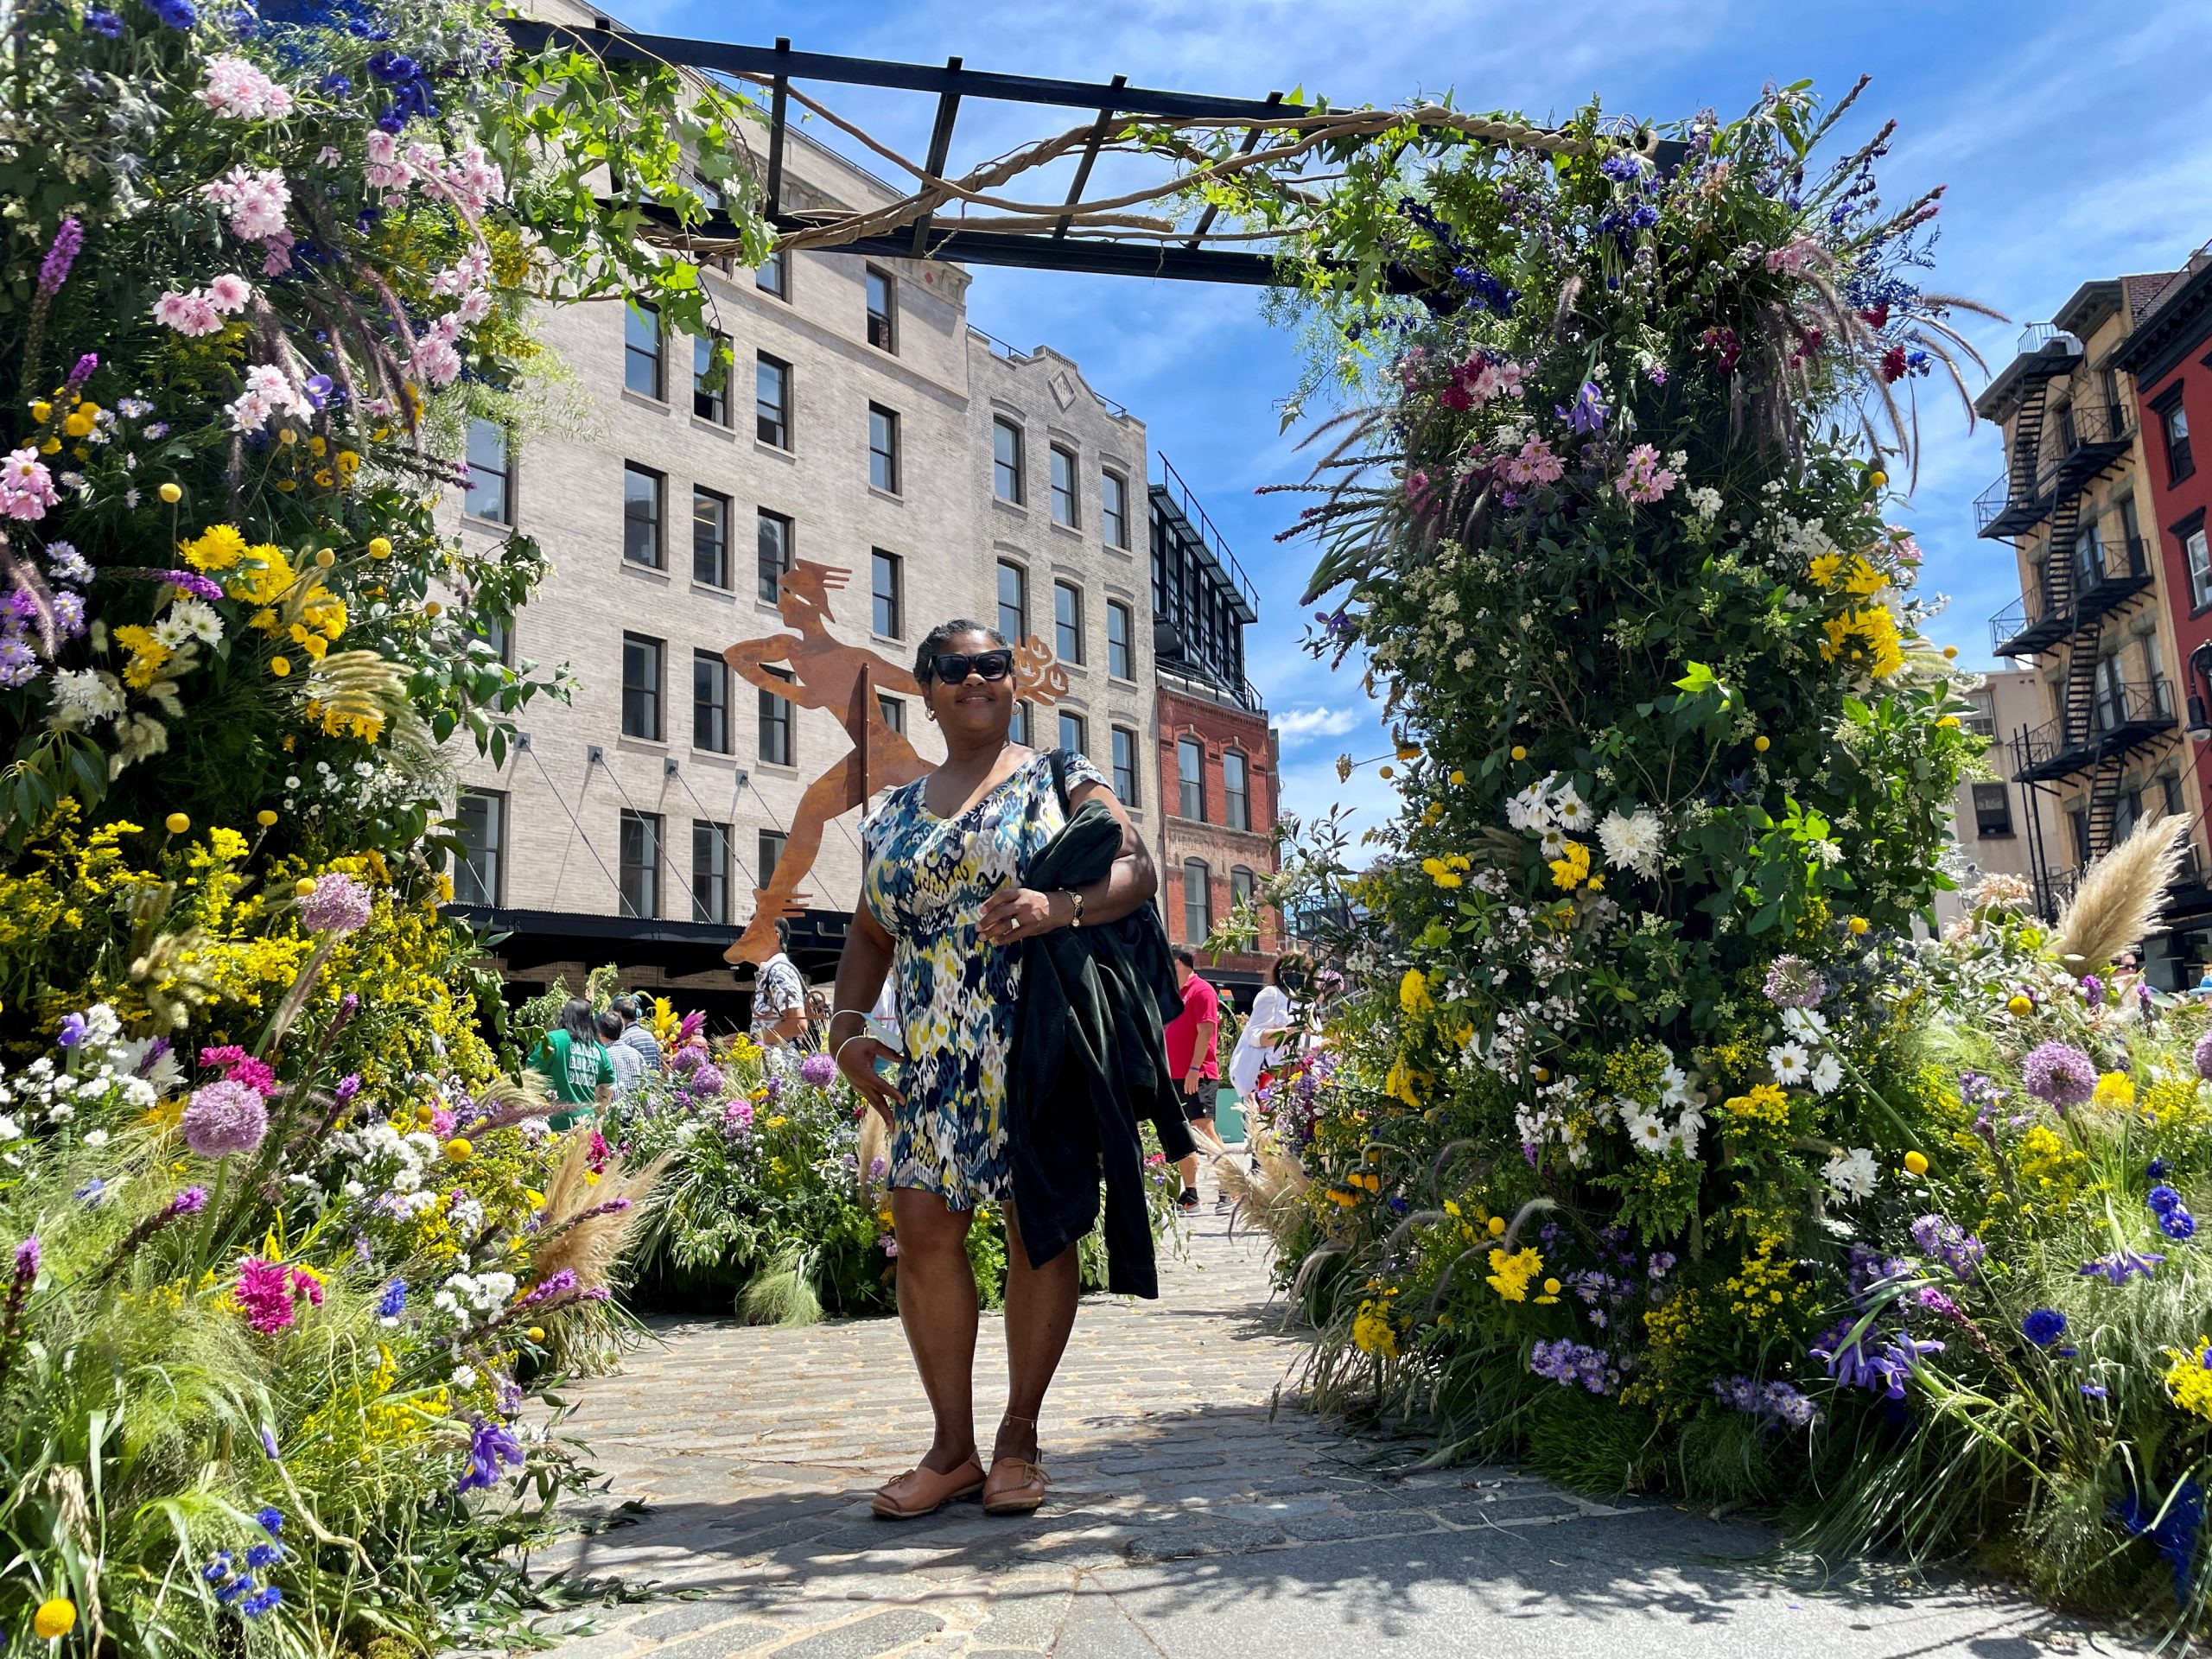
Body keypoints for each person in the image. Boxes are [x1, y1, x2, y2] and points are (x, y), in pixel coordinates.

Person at [826, 619, 1158, 1522]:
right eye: (954, 668)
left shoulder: (1060, 776)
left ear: (1012, 683)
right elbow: (868, 933)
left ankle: (1017, 1438)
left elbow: (1140, 869)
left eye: (993, 666)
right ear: (926, 689)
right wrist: (846, 1028)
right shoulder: (891, 813)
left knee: (1034, 1228)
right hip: (932, 1053)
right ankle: (951, 1449)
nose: (976, 678)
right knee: (924, 1225)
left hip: (1036, 1038)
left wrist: (1060, 905)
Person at [1165, 948, 1225, 1211]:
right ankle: (1191, 1194)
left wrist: (1193, 1068)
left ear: (1179, 963)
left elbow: (1206, 1032)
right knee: (1181, 1131)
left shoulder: (1202, 991)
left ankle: (1230, 1188)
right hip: (1173, 1074)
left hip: (1197, 1074)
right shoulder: (1173, 994)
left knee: (1204, 1129)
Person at [528, 997, 613, 1131]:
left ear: (565, 1016)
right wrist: (598, 1115)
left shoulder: (553, 1040)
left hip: (554, 1124)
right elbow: (608, 1086)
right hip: (585, 1124)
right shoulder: (599, 1050)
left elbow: (530, 1073)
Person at [751, 919, 808, 1052]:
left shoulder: (779, 971)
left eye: (753, 934)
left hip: (781, 1068)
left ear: (774, 938)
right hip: (774, 1067)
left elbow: (798, 1023)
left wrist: (755, 1042)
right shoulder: (771, 971)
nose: (746, 940)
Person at [611, 995, 664, 1075]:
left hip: (637, 1086)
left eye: (613, 1015)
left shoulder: (624, 1039)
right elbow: (658, 1067)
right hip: (652, 1085)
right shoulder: (650, 1037)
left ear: (620, 1014)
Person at [599, 1008, 644, 1100]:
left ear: (601, 1033)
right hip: (635, 1112)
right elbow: (645, 1087)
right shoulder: (636, 1054)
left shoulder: (602, 1057)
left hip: (611, 1113)